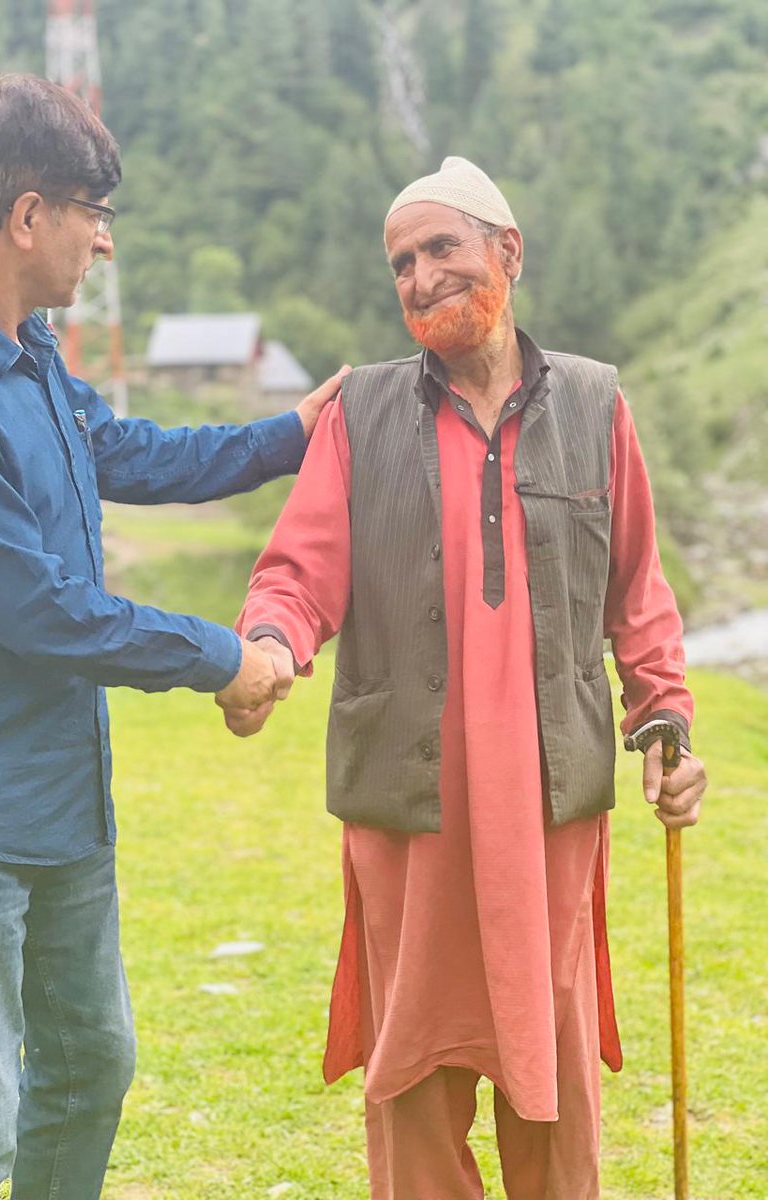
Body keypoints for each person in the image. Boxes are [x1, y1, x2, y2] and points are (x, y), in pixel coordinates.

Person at [0, 73, 345, 1200]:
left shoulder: (30, 352)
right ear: (28, 216)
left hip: (60, 809)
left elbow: (128, 453)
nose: (104, 244)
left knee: (89, 1069)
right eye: (96, 213)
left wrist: (293, 433)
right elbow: (36, 612)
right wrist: (226, 656)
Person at [224, 157, 708, 1199]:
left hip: (550, 810)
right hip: (410, 813)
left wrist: (664, 714)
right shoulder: (362, 414)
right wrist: (268, 644)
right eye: (402, 261)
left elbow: (638, 597)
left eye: (442, 248)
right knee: (412, 1069)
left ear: (508, 252)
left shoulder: (595, 405)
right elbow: (299, 573)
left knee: (555, 1066)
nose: (421, 276)